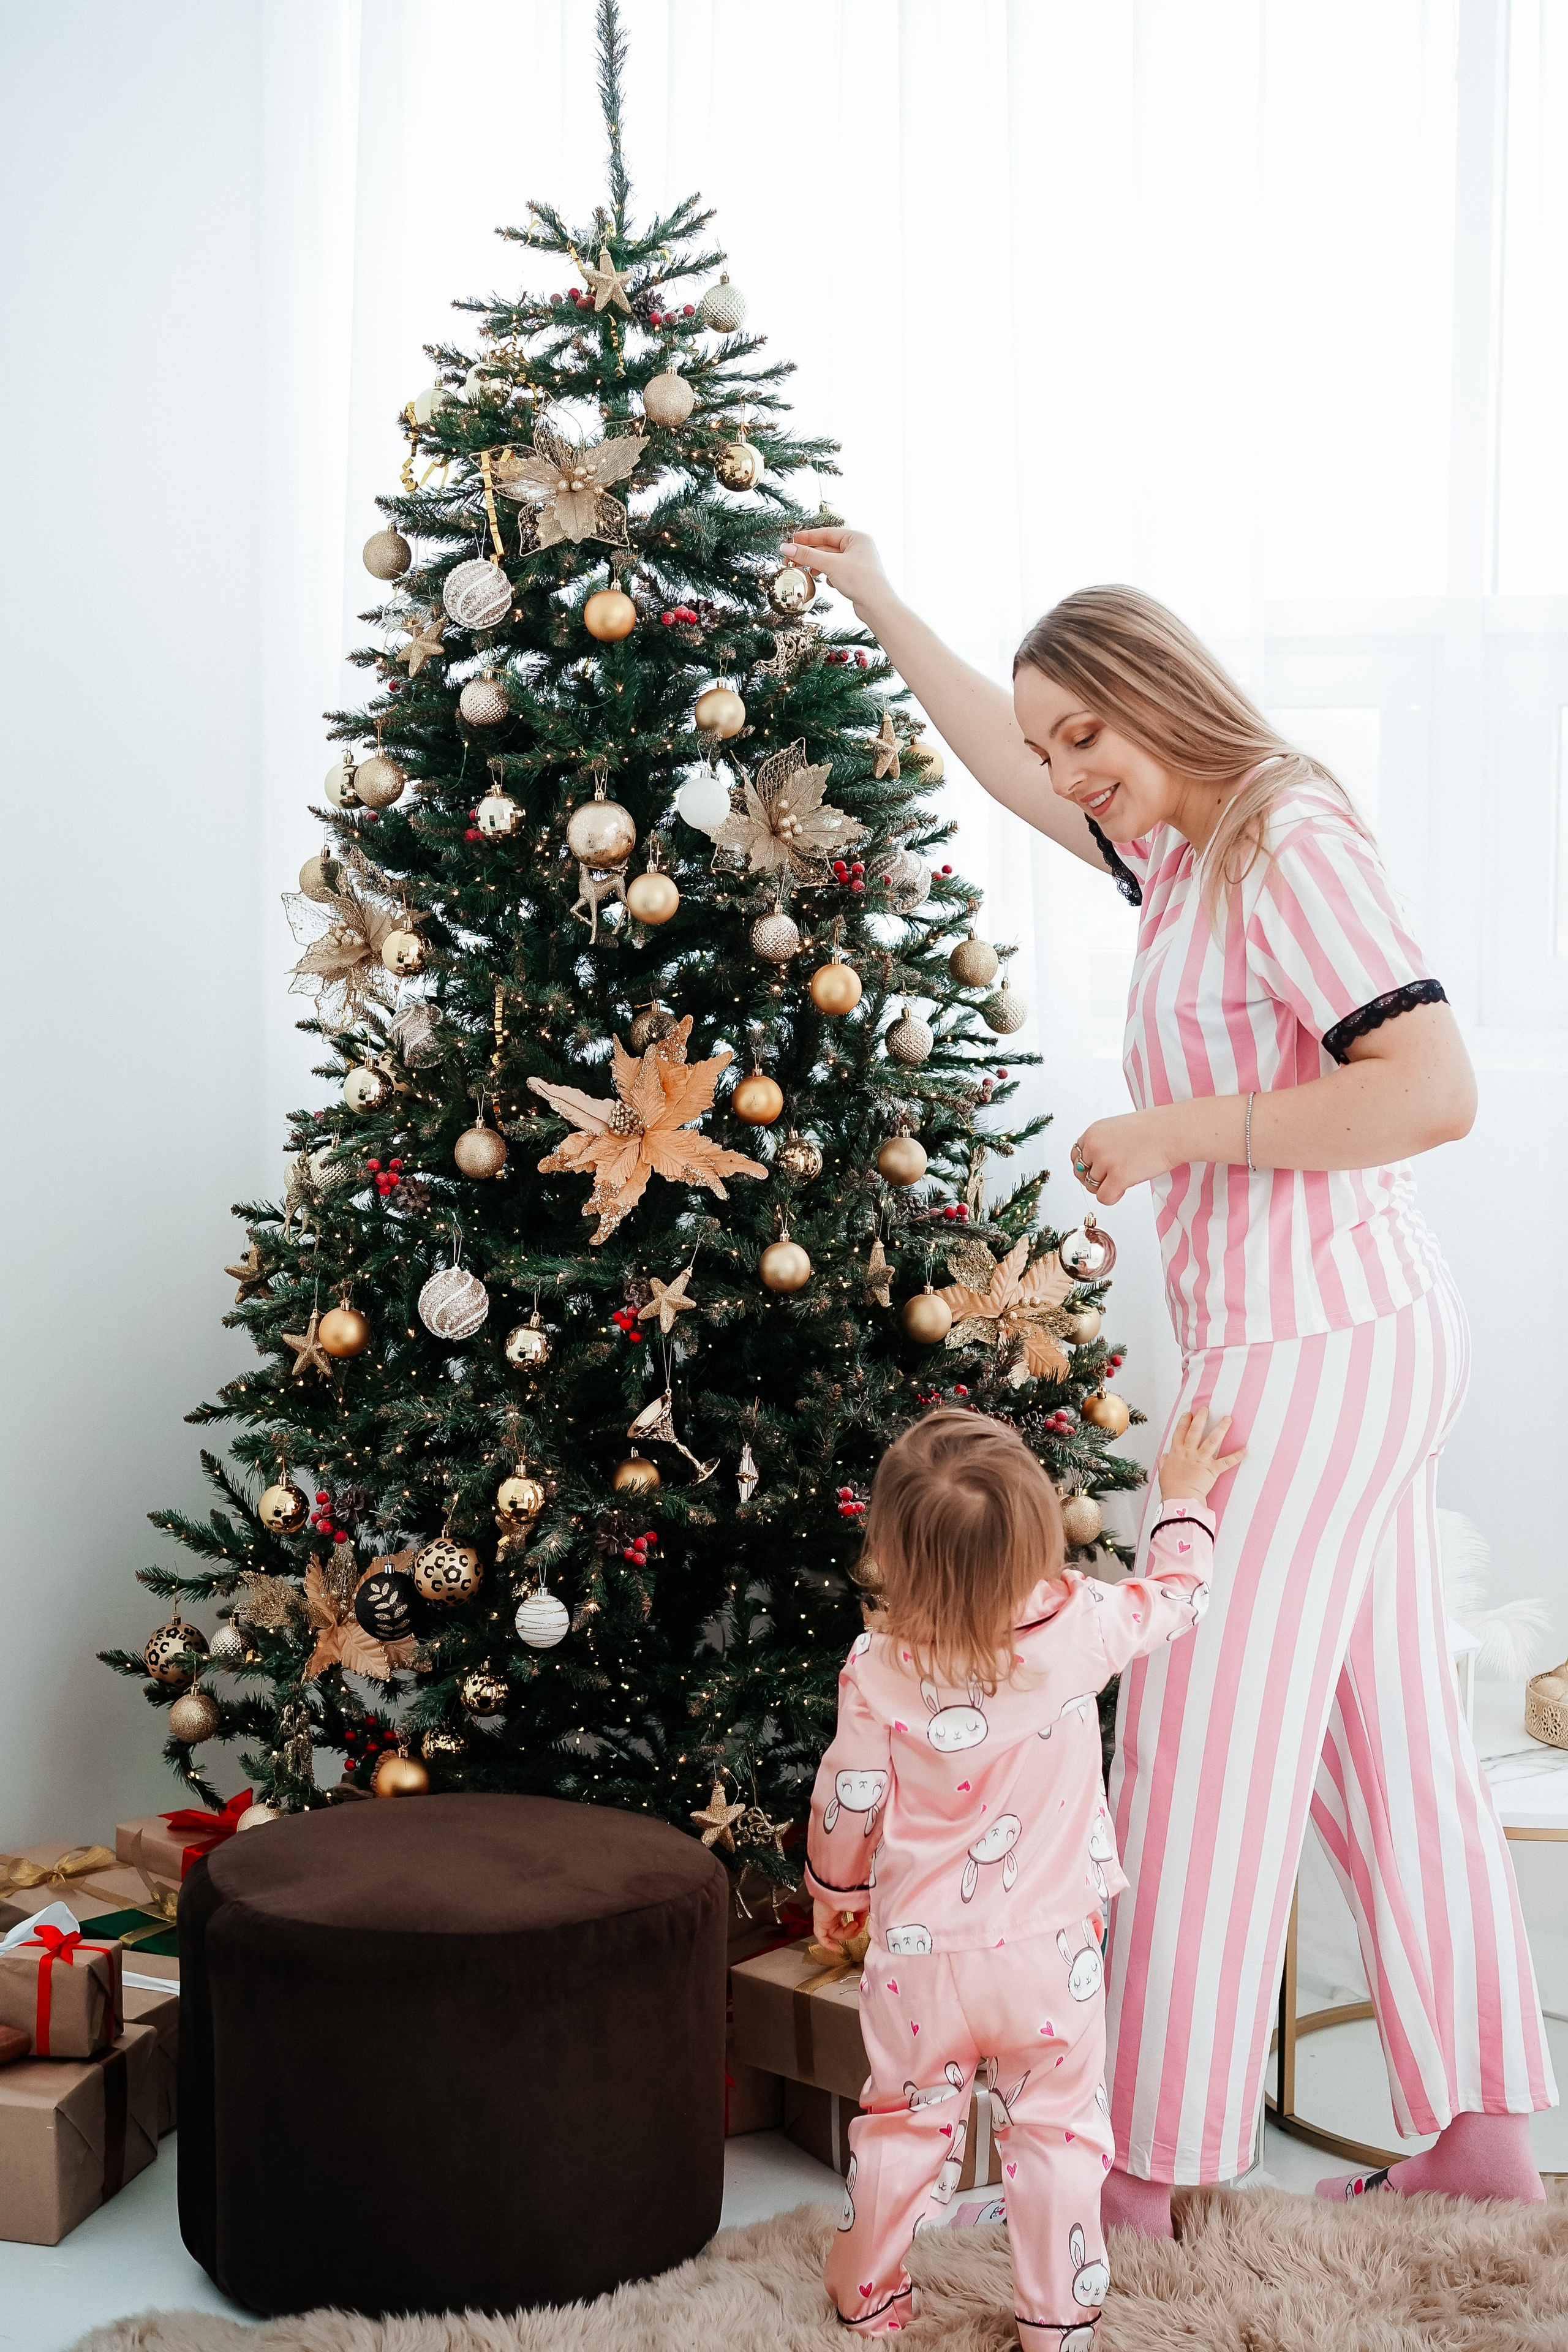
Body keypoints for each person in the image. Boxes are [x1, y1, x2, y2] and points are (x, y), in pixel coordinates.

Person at [783, 531, 1557, 2228]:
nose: (1067, 770)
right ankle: (1484, 2140)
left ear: (1159, 694)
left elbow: (1430, 1089)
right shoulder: (1184, 850)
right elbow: (1008, 769)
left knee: (1194, 1762)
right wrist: (886, 603)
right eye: (1053, 742)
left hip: (1309, 1351)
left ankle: (1128, 2176)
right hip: (1329, 1339)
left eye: (1087, 733)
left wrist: (1172, 1133)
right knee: (1389, 1755)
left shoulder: (1282, 837)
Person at [806, 1406, 1236, 2337]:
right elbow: (1178, 1595)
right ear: (1040, 1532)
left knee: (902, 2125)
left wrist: (837, 1894)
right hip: (1051, 1957)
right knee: (1057, 2138)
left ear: (894, 1552)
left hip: (921, 1959)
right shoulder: (1083, 1627)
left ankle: (867, 2294)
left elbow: (849, 1793)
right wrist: (1185, 1501)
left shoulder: (875, 1667)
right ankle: (1056, 2323)